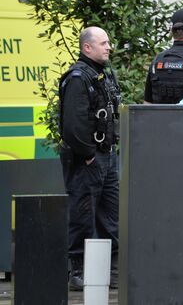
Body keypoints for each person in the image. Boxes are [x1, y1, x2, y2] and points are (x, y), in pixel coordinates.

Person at [59, 26, 121, 290]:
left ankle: (112, 271)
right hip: (88, 160)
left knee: (111, 217)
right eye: (104, 43)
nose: (109, 47)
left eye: (109, 42)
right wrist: (88, 157)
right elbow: (73, 126)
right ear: (87, 48)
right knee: (82, 215)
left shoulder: (102, 75)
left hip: (106, 157)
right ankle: (78, 273)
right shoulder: (77, 78)